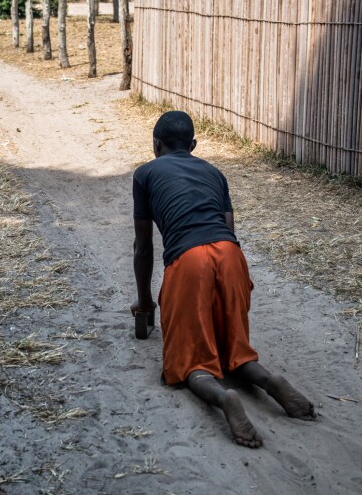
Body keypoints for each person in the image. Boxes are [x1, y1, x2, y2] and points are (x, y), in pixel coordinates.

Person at [131, 110, 316, 448]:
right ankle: (268, 379)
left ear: (155, 145)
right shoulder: (215, 173)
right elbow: (228, 233)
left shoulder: (145, 174)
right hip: (231, 257)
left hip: (188, 260)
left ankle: (222, 398)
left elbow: (144, 248)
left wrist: (145, 302)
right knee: (237, 354)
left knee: (192, 366)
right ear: (194, 145)